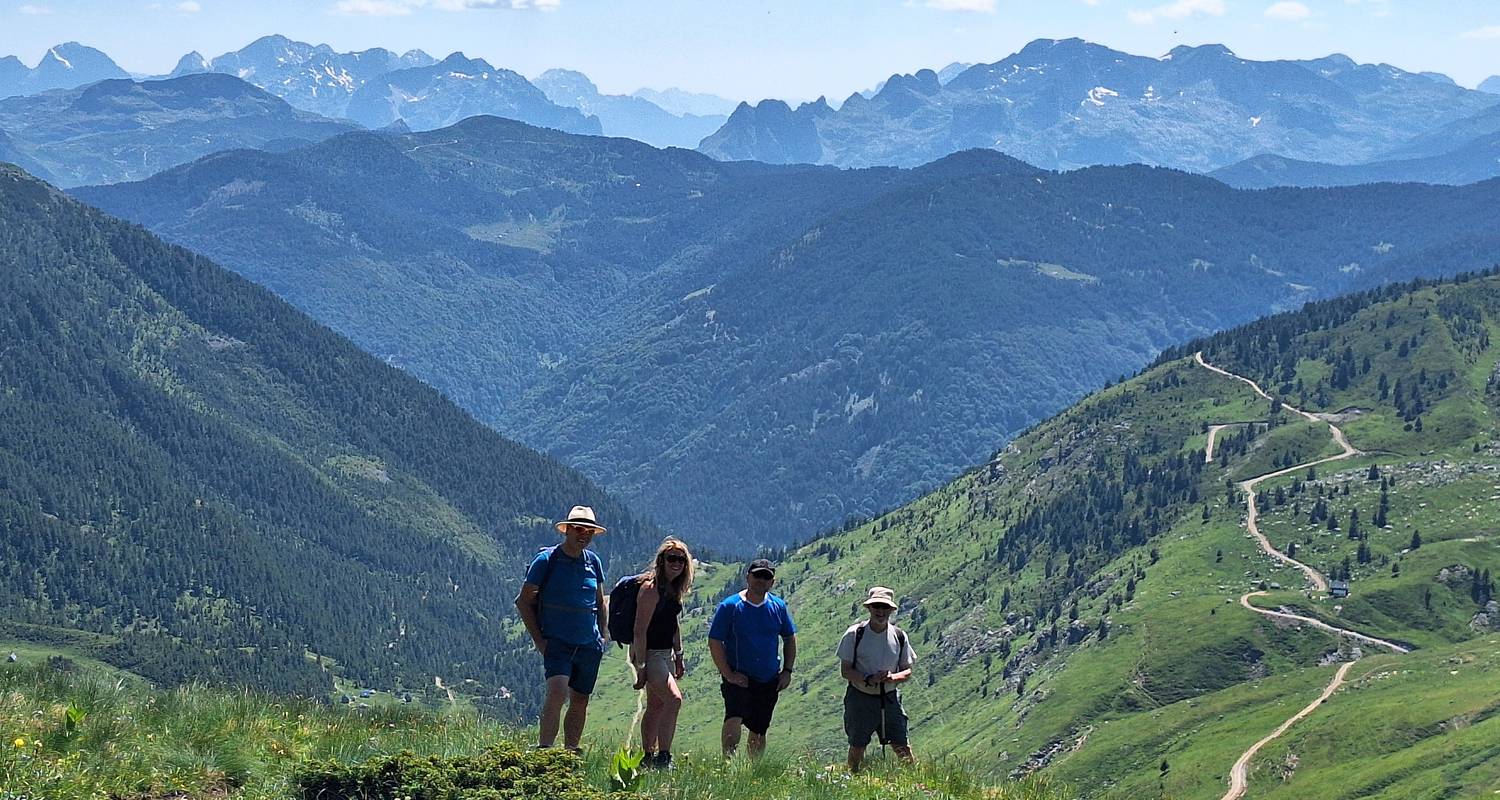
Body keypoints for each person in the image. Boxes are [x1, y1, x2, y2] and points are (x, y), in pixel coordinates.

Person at [514, 505, 609, 750]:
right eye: (578, 529)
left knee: (580, 699)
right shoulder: (546, 561)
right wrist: (540, 641)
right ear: (566, 530)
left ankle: (570, 754)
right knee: (557, 692)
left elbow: (600, 601)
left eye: (588, 531)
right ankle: (545, 751)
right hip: (557, 642)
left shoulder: (593, 562)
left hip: (589, 644)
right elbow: (524, 601)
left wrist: (603, 636)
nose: (583, 535)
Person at [707, 558, 797, 759]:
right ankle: (726, 763)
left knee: (759, 727)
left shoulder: (778, 606)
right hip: (740, 676)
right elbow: (715, 641)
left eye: (766, 577)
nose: (761, 580)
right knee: (734, 716)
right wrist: (728, 674)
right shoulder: (730, 606)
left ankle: (754, 771)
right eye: (757, 575)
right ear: (747, 577)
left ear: (772, 582)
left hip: (768, 678)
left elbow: (790, 638)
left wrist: (787, 671)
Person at [629, 537, 694, 770]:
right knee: (674, 699)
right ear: (662, 561)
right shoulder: (650, 589)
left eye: (681, 559)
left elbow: (672, 623)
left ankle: (647, 757)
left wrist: (679, 655)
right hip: (650, 654)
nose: (676, 563)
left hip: (665, 654)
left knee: (656, 705)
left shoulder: (672, 589)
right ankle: (664, 757)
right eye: (672, 558)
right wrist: (642, 667)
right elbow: (639, 630)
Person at [836, 586, 916, 772]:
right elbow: (846, 671)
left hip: (889, 697)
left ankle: (914, 779)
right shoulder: (855, 634)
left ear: (891, 610)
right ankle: (852, 776)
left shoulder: (899, 636)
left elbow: (907, 671)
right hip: (860, 697)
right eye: (876, 607)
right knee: (858, 744)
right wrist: (868, 678)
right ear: (869, 609)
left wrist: (891, 677)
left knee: (901, 743)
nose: (880, 611)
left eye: (884, 607)